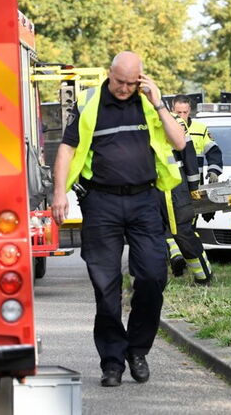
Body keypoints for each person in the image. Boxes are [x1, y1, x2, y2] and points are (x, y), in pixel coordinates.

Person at [51, 52, 185, 388]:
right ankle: (112, 362)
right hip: (101, 202)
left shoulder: (150, 101)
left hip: (144, 201)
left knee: (154, 276)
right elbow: (67, 148)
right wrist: (58, 193)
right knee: (105, 287)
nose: (124, 88)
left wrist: (159, 104)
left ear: (141, 78)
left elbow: (179, 141)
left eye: (131, 82)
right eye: (119, 81)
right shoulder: (89, 102)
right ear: (109, 74)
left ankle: (137, 349)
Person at [154, 95, 216, 286]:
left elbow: (189, 157)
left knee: (182, 231)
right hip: (151, 187)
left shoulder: (177, 123)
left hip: (176, 186)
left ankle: (203, 275)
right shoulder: (141, 122)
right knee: (154, 230)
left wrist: (193, 188)